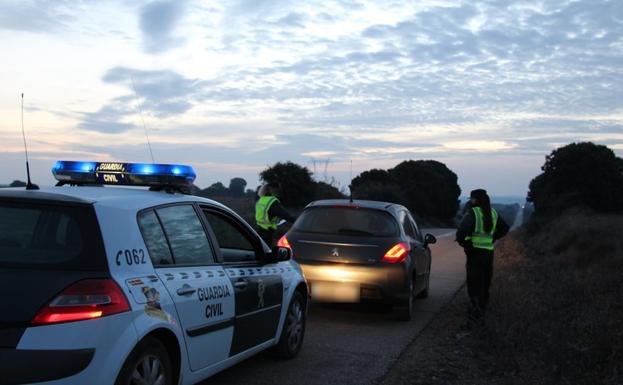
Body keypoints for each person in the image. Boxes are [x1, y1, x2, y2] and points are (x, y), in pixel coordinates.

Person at [456, 189, 509, 321]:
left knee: (473, 281)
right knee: (485, 281)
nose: (471, 201)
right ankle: (483, 308)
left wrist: (466, 244)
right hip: (488, 253)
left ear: (477, 200)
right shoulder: (493, 212)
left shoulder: (473, 212)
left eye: (472, 199)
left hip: (475, 253)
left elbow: (462, 230)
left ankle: (475, 310)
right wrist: (493, 238)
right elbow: (505, 228)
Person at [255, 182, 296, 247]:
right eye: (277, 189)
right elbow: (285, 215)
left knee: (260, 249)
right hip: (268, 231)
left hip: (260, 229)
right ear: (271, 190)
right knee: (267, 250)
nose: (278, 191)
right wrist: (298, 221)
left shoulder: (261, 200)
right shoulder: (272, 201)